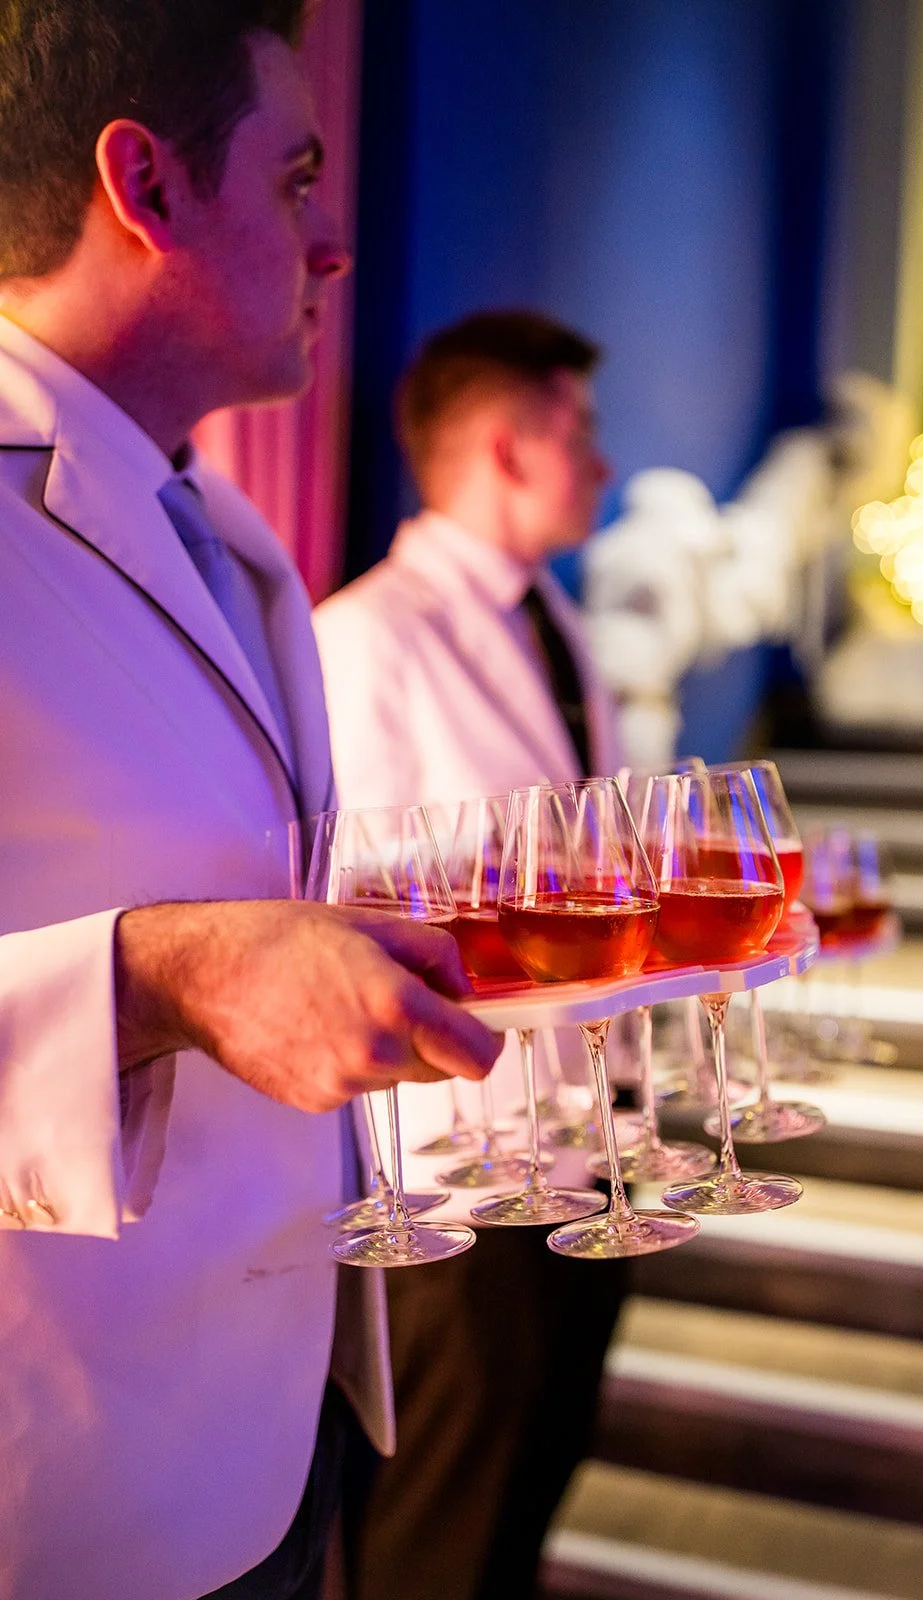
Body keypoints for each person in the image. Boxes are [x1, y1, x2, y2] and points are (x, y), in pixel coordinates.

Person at [0, 7, 500, 1599]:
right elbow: (185, 946)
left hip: (283, 1430)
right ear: (143, 182)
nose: (337, 239)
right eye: (295, 177)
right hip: (60, 1490)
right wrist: (164, 975)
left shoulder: (221, 519)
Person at [313, 310, 627, 1600]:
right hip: (452, 1154)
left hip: (586, 1132)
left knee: (531, 1478)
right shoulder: (366, 639)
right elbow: (341, 909)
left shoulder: (554, 620)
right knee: (445, 1519)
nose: (603, 464)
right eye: (581, 432)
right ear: (507, 449)